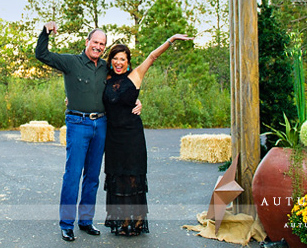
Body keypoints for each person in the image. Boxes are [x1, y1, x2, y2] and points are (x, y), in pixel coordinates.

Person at [35, 21, 141, 242]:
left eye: (102, 44)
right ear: (87, 42)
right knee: (72, 175)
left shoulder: (105, 67)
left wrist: (137, 100)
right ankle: (66, 224)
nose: (98, 47)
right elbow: (41, 54)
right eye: (95, 42)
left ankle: (85, 221)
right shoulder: (71, 62)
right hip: (77, 123)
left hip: (101, 125)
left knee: (92, 176)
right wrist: (45, 31)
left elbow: (125, 82)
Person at [102, 34, 192, 236]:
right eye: (115, 58)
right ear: (111, 60)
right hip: (113, 137)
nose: (118, 62)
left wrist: (171, 39)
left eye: (122, 59)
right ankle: (122, 221)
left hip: (132, 136)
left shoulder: (136, 75)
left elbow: (152, 56)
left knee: (133, 176)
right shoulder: (104, 78)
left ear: (128, 61)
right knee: (118, 176)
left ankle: (137, 221)